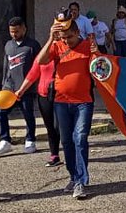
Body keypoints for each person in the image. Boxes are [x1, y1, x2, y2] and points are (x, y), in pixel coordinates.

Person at [31, 12, 100, 200]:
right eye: (63, 37)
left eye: (69, 36)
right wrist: (51, 39)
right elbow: (41, 61)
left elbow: (100, 68)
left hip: (83, 102)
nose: (67, 41)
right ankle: (73, 176)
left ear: (78, 32)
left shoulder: (87, 46)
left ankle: (81, 181)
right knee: (67, 141)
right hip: (61, 102)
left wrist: (95, 51)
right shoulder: (56, 46)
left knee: (80, 138)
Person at [0, 17, 40, 158]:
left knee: (28, 114)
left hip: (26, 88)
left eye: (17, 31)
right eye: (11, 31)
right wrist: (4, 85)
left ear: (24, 28)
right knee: (0, 113)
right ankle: (5, 141)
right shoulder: (8, 45)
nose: (14, 34)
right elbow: (5, 66)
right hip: (9, 88)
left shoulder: (33, 45)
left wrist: (32, 86)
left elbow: (38, 67)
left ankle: (30, 140)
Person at [19, 57, 61, 168]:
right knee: (50, 127)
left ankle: (73, 153)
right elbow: (33, 73)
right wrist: (21, 90)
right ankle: (54, 155)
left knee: (60, 126)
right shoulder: (44, 54)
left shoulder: (68, 51)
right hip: (44, 94)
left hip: (62, 96)